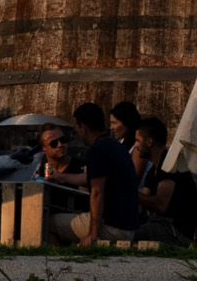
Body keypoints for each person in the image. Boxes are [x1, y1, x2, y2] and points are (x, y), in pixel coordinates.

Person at [52, 102, 139, 245]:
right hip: (128, 227)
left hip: (111, 226)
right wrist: (61, 176)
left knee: (49, 222)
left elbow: (97, 192)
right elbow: (94, 178)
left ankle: (54, 263)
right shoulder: (117, 147)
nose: (78, 133)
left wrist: (92, 233)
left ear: (84, 128)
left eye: (77, 129)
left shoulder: (97, 150)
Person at [132, 118, 197, 245]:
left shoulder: (169, 165)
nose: (135, 146)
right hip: (159, 224)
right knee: (125, 230)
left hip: (174, 231)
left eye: (137, 141)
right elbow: (143, 203)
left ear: (149, 142)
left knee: (130, 234)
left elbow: (160, 205)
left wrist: (129, 192)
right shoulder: (153, 169)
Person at [110, 101, 145, 185]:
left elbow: (132, 179)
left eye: (114, 123)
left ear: (127, 123)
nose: (111, 127)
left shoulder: (138, 147)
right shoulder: (122, 143)